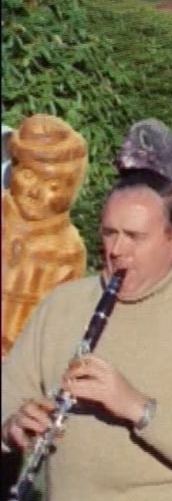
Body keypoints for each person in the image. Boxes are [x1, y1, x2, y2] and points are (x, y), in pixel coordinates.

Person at [1, 168, 172, 501]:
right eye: (109, 233)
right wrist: (12, 425)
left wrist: (136, 407)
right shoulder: (62, 304)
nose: (116, 249)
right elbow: (8, 395)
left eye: (134, 236)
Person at [2, 115, 88, 359]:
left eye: (53, 186)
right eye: (28, 175)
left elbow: (58, 329)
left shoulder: (67, 250)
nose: (36, 192)